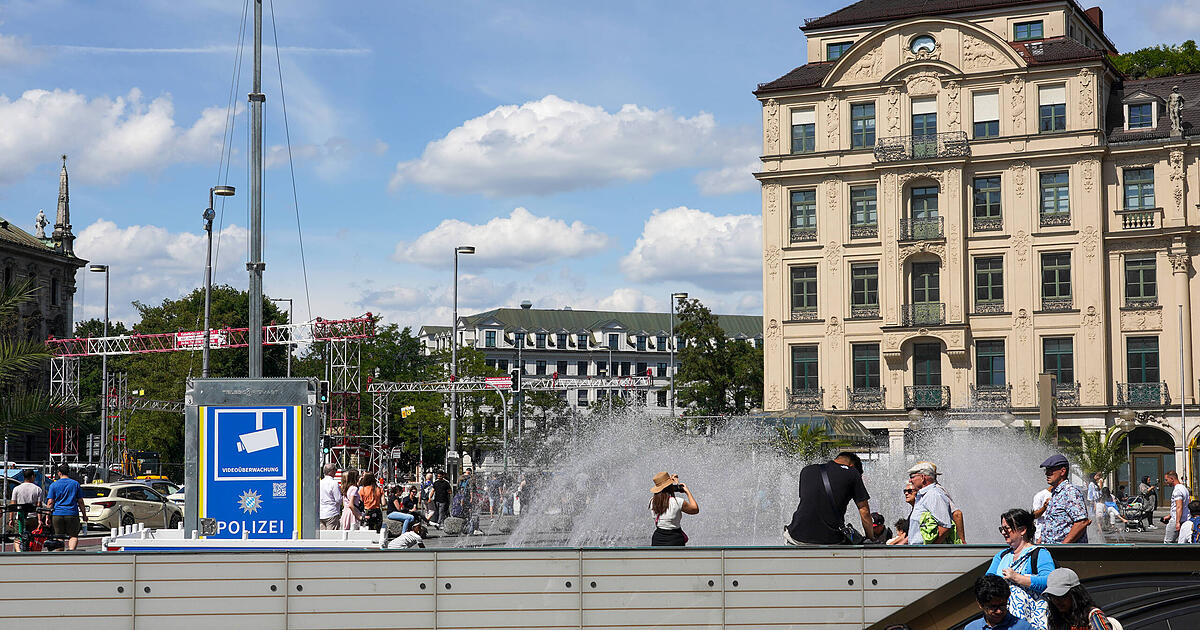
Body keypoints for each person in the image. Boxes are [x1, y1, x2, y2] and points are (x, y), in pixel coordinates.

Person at [986, 508, 1057, 630]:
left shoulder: (1039, 553)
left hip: (1032, 623)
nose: (1003, 532)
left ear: (1022, 530)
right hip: (1003, 621)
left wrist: (1017, 578)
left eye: (1007, 528)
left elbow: (1049, 582)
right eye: (1001, 529)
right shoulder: (1001, 556)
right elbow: (986, 583)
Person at [784, 451, 872, 545]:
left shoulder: (807, 470)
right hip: (831, 540)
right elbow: (864, 511)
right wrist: (871, 538)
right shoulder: (852, 473)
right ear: (852, 465)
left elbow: (810, 502)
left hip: (796, 536)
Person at [1038, 455, 1089, 544]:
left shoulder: (1070, 492)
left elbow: (1082, 522)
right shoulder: (1056, 493)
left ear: (1062, 471)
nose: (1046, 473)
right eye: (1046, 470)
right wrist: (1040, 542)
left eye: (1050, 471)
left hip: (1066, 554)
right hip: (1052, 551)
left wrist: (1064, 546)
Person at [1043, 568, 1116, 630]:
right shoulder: (1056, 619)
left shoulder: (1093, 616)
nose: (1057, 601)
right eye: (1053, 596)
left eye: (1062, 596)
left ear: (1075, 595)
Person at [907, 461, 961, 545]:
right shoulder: (923, 495)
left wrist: (931, 549)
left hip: (926, 554)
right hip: (918, 552)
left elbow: (945, 527)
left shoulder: (933, 495)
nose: (910, 480)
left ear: (922, 477)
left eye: (912, 477)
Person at [966, 574, 1035, 630]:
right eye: (993, 607)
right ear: (980, 604)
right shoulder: (971, 628)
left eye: (1002, 605)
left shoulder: (1023, 627)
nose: (999, 611)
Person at [649, 471, 699, 546]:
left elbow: (664, 493)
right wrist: (687, 491)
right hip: (675, 539)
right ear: (670, 487)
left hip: (657, 539)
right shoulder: (678, 502)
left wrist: (675, 485)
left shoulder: (652, 501)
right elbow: (695, 509)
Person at [45, 464, 84, 551]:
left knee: (59, 536)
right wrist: (84, 515)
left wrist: (47, 516)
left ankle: (60, 556)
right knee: (73, 536)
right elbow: (80, 501)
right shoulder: (75, 484)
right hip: (72, 513)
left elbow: (50, 502)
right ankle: (71, 552)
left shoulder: (54, 485)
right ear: (68, 472)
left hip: (57, 514)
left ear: (59, 473)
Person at [9, 470, 43, 552]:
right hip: (33, 517)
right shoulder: (38, 489)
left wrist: (11, 518)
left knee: (18, 537)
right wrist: (39, 520)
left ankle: (19, 553)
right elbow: (39, 506)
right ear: (32, 477)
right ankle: (31, 554)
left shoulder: (16, 489)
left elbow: (13, 505)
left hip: (20, 517)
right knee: (33, 537)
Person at [1160, 470, 1190, 544]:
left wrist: (1177, 522)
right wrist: (1170, 515)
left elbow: (1179, 506)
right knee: (1182, 542)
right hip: (1185, 519)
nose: (1166, 482)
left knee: (1168, 542)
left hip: (1177, 520)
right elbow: (1186, 504)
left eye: (1167, 480)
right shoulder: (1184, 488)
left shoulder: (1177, 490)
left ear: (1172, 479)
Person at [318, 463, 342, 530]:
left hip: (321, 512)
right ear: (331, 471)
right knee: (332, 537)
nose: (336, 472)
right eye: (335, 470)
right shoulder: (334, 483)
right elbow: (338, 499)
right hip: (332, 512)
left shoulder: (320, 482)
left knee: (322, 536)